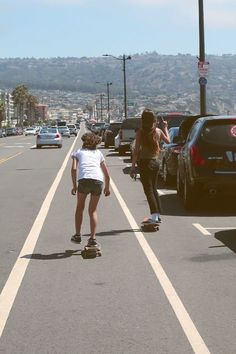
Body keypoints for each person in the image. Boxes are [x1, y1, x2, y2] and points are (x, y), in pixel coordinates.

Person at [130, 109, 170, 224]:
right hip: (156, 162)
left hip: (145, 163)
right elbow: (168, 141)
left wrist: (133, 167)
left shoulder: (140, 132)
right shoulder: (158, 131)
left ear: (143, 120)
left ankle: (154, 216)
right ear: (154, 120)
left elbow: (136, 151)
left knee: (148, 190)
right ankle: (157, 215)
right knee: (153, 188)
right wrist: (165, 127)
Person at [71, 132, 110, 246]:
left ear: (84, 142)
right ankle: (92, 238)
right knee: (92, 210)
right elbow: (106, 174)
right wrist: (107, 188)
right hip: (98, 181)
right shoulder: (99, 153)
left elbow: (73, 169)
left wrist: (74, 186)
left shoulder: (78, 152)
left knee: (80, 207)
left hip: (84, 180)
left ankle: (78, 235)